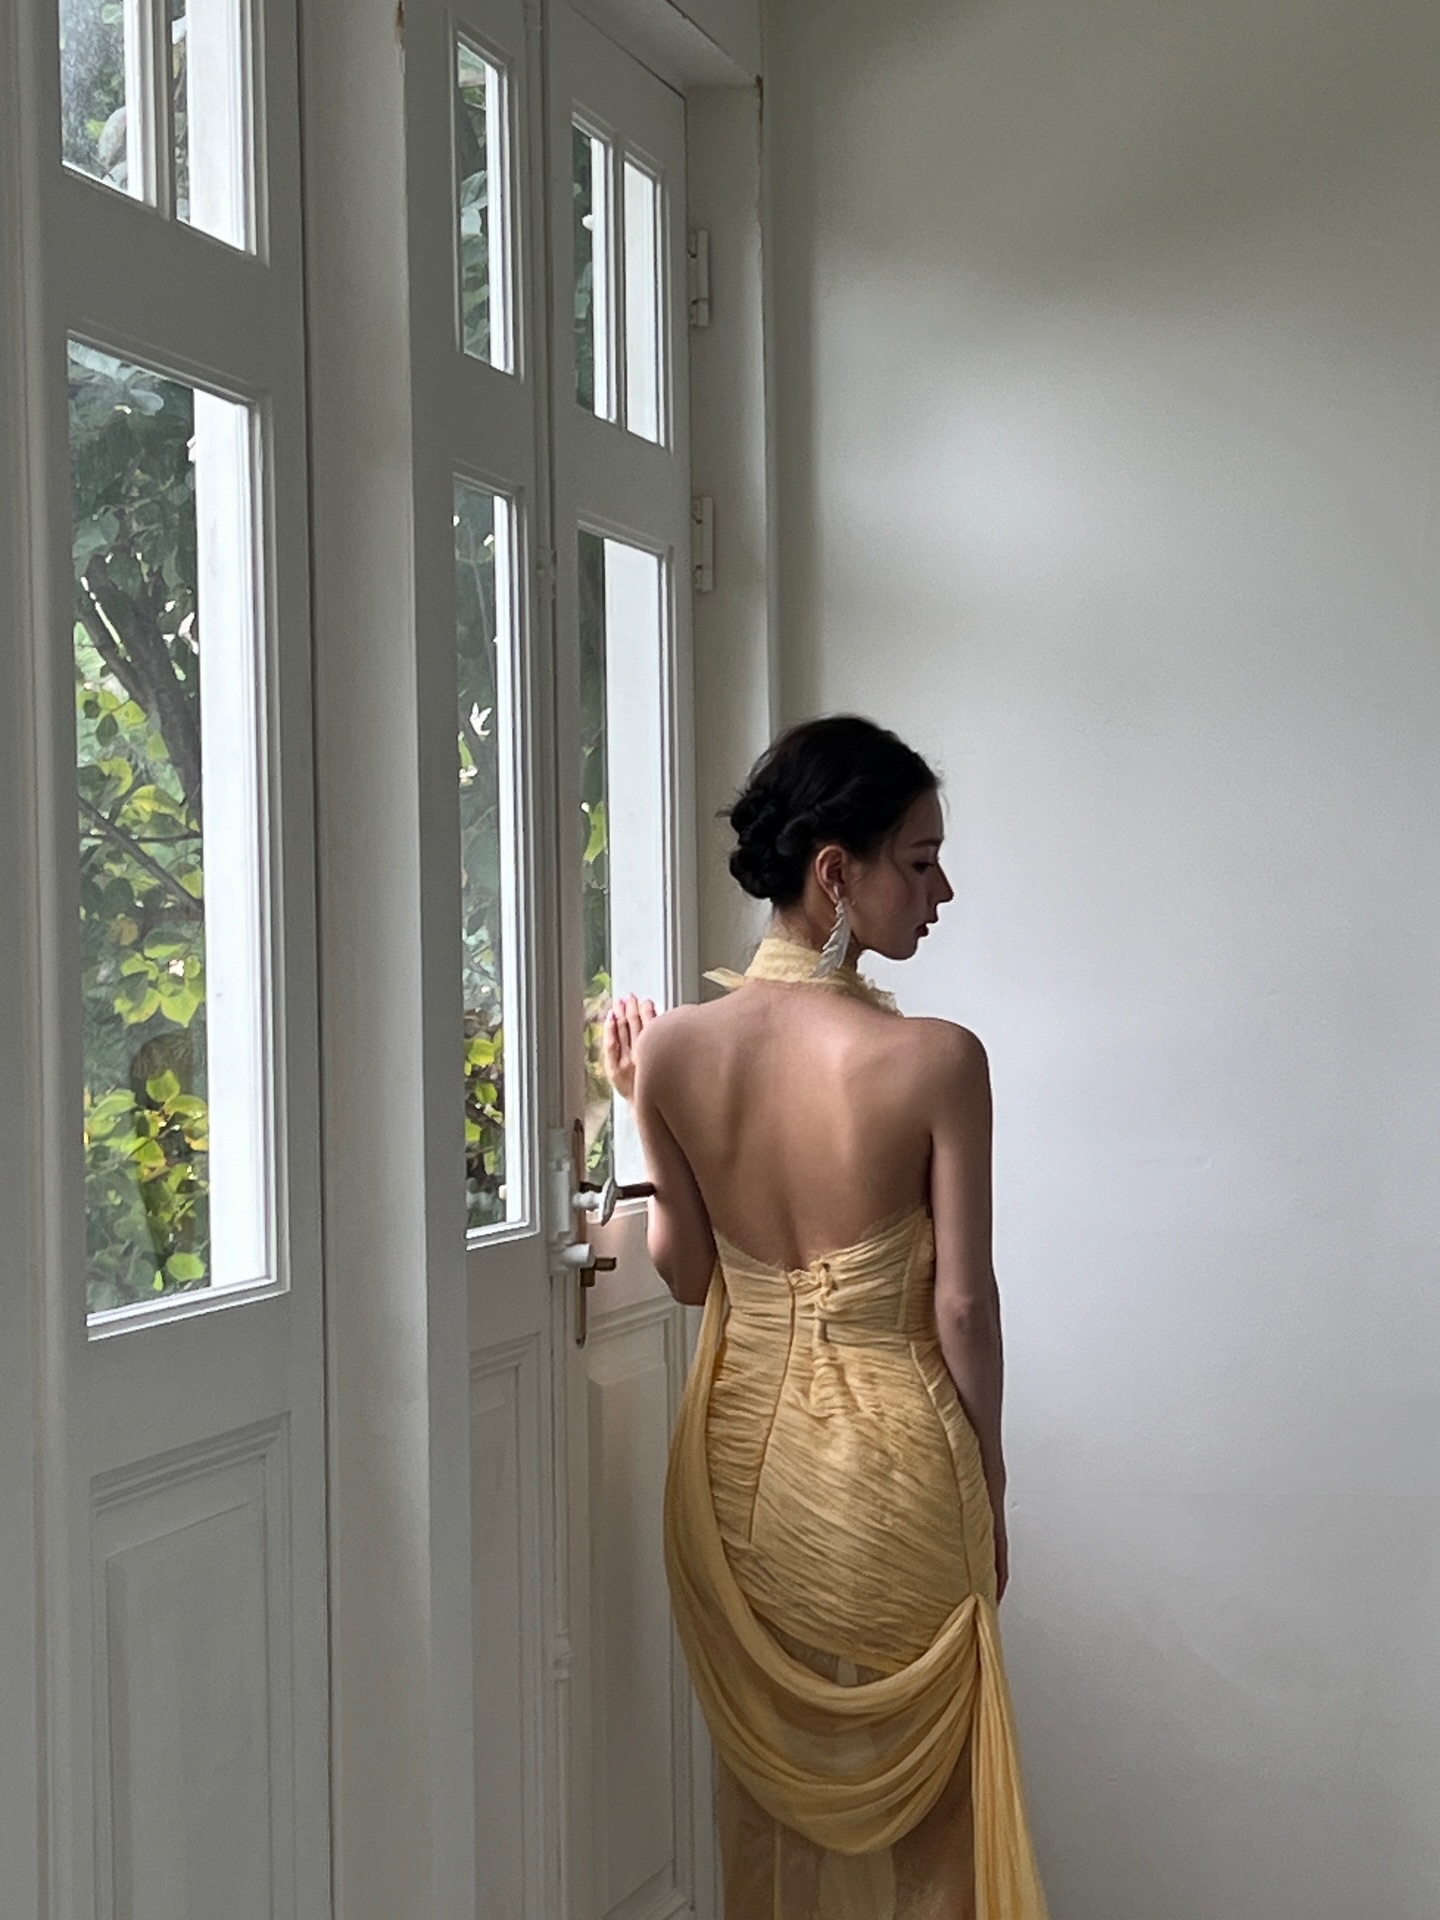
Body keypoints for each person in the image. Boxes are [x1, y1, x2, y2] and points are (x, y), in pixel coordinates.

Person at [603, 715, 1048, 1920]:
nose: (942, 892)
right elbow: (964, 1305)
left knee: (774, 1807)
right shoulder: (938, 1060)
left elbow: (689, 1277)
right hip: (900, 1461)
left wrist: (639, 1106)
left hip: (741, 1467)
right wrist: (992, 1476)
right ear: (835, 872)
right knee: (933, 1814)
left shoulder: (674, 1055)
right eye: (921, 860)